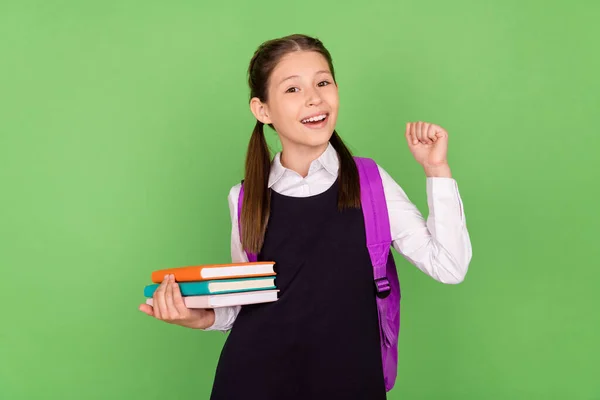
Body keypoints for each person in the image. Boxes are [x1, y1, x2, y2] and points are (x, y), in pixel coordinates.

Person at [139, 33, 472, 399]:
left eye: (323, 82)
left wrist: (436, 170)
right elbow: (242, 306)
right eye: (293, 89)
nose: (314, 97)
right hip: (252, 383)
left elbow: (450, 266)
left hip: (350, 383)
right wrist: (196, 317)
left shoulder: (372, 183)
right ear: (262, 110)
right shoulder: (244, 197)